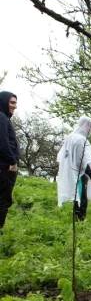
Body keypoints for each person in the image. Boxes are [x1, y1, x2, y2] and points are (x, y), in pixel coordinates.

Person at [56, 116, 91, 219]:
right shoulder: (80, 139)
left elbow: (61, 156)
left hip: (70, 171)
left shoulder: (70, 137)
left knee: (76, 195)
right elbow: (82, 160)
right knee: (82, 196)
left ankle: (77, 217)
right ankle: (80, 219)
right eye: (90, 127)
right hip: (79, 173)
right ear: (86, 126)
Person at [0, 91, 19, 231]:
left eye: (15, 103)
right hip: (5, 168)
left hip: (5, 166)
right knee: (3, 200)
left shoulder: (4, 118)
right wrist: (12, 161)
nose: (15, 106)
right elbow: (3, 142)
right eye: (12, 102)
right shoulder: (1, 117)